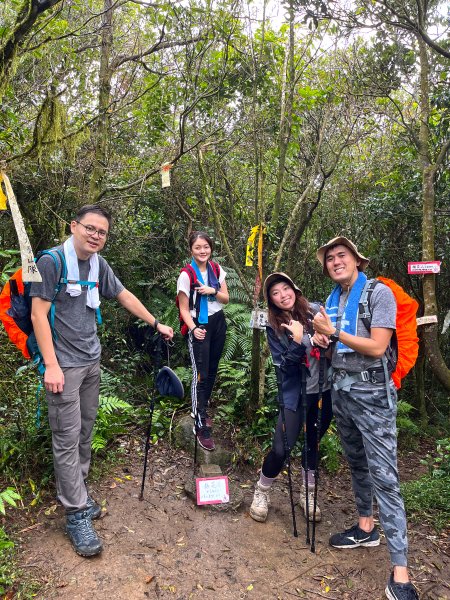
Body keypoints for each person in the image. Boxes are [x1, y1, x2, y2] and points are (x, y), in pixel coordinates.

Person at [30, 205, 173, 558]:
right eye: (91, 229)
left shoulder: (98, 265)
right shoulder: (51, 263)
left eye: (103, 232)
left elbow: (123, 295)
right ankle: (75, 512)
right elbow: (37, 313)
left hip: (91, 361)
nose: (96, 236)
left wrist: (156, 322)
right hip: (63, 365)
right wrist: (51, 364)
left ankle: (77, 493)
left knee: (85, 430)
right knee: (66, 437)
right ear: (73, 226)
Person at [312, 236, 419, 600]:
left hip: (373, 396)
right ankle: (365, 528)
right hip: (342, 393)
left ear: (357, 260)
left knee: (385, 476)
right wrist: (323, 340)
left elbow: (376, 347)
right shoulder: (333, 299)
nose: (335, 262)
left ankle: (401, 574)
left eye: (341, 256)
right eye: (330, 259)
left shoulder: (378, 294)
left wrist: (334, 333)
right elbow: (335, 343)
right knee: (357, 464)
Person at [250, 273, 332, 524]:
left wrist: (325, 341)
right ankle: (261, 491)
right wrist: (298, 340)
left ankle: (307, 493)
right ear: (271, 301)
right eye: (276, 293)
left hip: (322, 391)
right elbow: (284, 366)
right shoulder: (274, 327)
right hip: (294, 394)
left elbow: (335, 345)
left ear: (295, 289)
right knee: (280, 448)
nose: (283, 295)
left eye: (286, 288)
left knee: (313, 444)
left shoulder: (316, 311)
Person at [176, 231, 229, 451]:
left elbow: (225, 298)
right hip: (198, 323)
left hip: (217, 321)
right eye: (198, 247)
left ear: (211, 248)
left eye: (206, 247)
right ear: (191, 249)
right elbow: (183, 307)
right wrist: (194, 328)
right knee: (200, 373)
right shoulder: (186, 274)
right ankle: (199, 423)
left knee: (213, 370)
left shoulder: (217, 270)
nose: (202, 251)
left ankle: (202, 410)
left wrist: (212, 290)